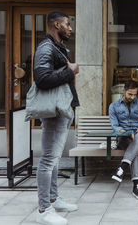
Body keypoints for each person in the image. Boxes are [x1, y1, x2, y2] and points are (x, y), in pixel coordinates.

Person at [34, 11, 80, 225]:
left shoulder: (56, 47)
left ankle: (53, 198)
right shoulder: (46, 48)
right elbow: (42, 78)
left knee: (54, 159)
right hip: (54, 113)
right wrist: (70, 72)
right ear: (55, 25)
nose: (70, 28)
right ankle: (44, 209)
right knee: (48, 160)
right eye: (67, 24)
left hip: (61, 111)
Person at [109, 80, 138, 201]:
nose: (132, 97)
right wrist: (127, 133)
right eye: (130, 94)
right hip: (124, 138)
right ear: (124, 91)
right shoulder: (113, 106)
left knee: (137, 138)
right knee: (134, 150)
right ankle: (136, 186)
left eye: (135, 94)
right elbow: (115, 127)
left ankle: (123, 167)